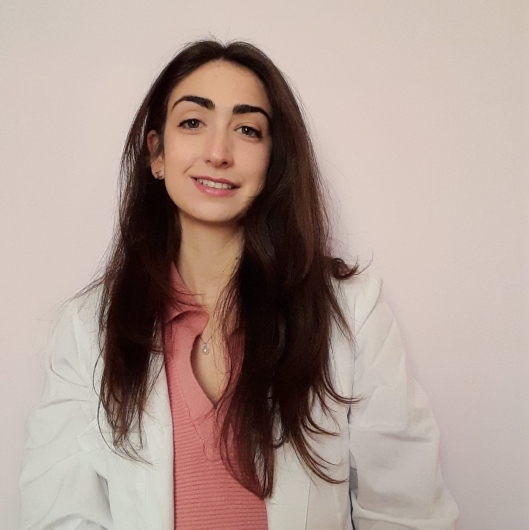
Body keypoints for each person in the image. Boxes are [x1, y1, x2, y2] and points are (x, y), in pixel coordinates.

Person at [19, 39, 458, 530]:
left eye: (247, 129)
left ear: (273, 161)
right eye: (192, 122)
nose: (218, 153)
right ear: (156, 152)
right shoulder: (87, 329)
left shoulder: (351, 310)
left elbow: (407, 512)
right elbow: (59, 517)